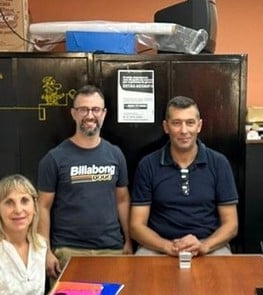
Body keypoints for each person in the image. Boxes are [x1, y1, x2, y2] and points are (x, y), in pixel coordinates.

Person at [37, 85, 132, 279]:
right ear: (74, 113)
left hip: (111, 250)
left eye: (95, 109)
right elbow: (42, 207)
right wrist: (46, 251)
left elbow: (122, 200)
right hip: (68, 251)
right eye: (83, 109)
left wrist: (129, 240)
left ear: (104, 114)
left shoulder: (115, 155)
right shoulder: (54, 158)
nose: (90, 115)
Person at [130, 96, 238, 256]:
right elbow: (136, 226)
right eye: (176, 123)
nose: (184, 130)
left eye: (190, 123)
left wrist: (204, 246)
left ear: (199, 125)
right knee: (141, 268)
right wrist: (168, 247)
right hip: (158, 247)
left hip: (210, 246)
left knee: (225, 270)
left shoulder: (219, 163)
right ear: (166, 127)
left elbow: (231, 225)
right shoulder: (148, 165)